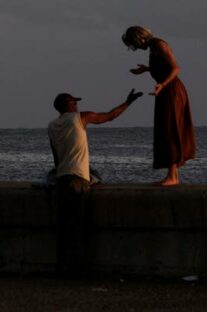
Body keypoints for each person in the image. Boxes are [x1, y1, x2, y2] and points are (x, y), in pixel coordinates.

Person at [48, 89, 142, 275]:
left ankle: (61, 266)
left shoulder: (52, 126)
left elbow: (56, 159)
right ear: (70, 106)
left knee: (63, 226)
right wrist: (128, 102)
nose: (77, 104)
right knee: (77, 224)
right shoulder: (80, 118)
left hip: (61, 178)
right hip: (77, 179)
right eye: (74, 102)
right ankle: (76, 269)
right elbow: (109, 116)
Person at [122, 26, 196, 186]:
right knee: (166, 130)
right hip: (164, 91)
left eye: (134, 43)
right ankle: (173, 176)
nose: (135, 47)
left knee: (170, 129)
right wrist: (147, 69)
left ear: (139, 38)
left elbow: (176, 68)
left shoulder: (159, 45)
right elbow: (163, 66)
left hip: (171, 90)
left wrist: (162, 84)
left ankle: (172, 176)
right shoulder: (153, 47)